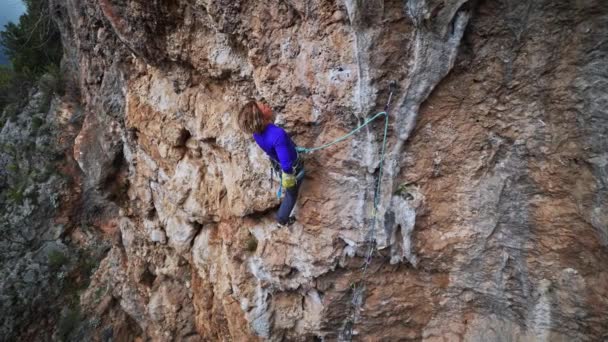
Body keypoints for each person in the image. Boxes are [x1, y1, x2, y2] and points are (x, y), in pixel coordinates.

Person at [237, 100, 304, 227]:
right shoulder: (278, 135)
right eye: (263, 106)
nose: (266, 104)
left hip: (277, 163)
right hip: (291, 167)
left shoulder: (257, 134)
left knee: (290, 191)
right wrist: (289, 177)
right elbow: (286, 165)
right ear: (260, 116)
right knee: (291, 193)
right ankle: (282, 219)